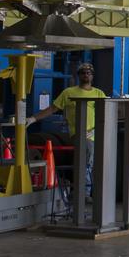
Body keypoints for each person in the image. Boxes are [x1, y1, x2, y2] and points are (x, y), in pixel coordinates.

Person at [27, 62, 107, 191]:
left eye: (89, 73)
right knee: (86, 158)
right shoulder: (68, 93)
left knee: (96, 163)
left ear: (92, 76)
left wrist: (96, 130)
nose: (86, 75)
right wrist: (33, 118)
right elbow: (52, 109)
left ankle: (93, 191)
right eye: (83, 72)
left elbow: (106, 113)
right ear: (78, 76)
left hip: (97, 134)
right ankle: (84, 193)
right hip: (80, 135)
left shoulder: (99, 94)